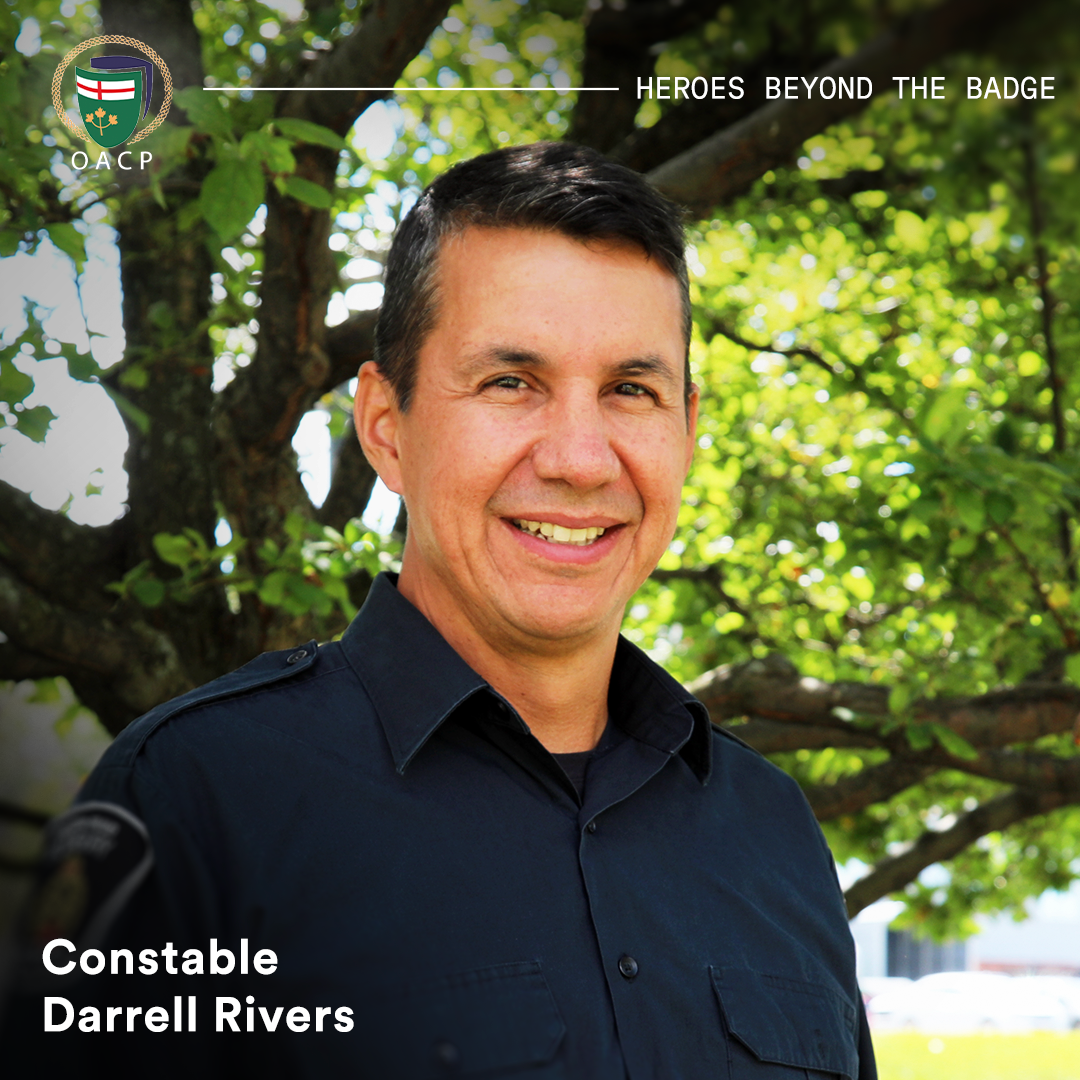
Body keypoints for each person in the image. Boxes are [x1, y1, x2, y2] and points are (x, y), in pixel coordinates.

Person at [1, 142, 875, 1079]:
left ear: (687, 430)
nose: (580, 460)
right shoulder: (194, 799)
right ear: (386, 428)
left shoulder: (772, 830)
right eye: (511, 382)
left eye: (631, 390)